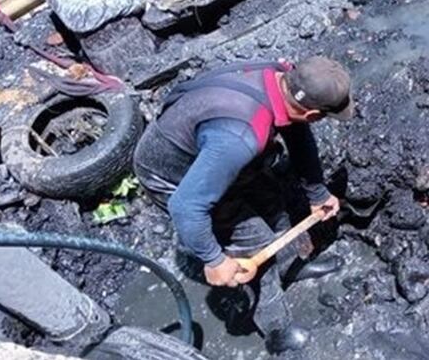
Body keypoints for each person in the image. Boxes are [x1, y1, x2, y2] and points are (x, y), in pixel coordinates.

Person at [133, 57, 354, 355]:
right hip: (173, 174)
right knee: (254, 245)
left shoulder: (279, 78)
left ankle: (290, 266)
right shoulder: (240, 136)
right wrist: (213, 259)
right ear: (313, 113)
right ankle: (276, 331)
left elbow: (299, 136)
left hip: (213, 147)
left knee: (273, 199)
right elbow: (186, 206)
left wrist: (317, 192)